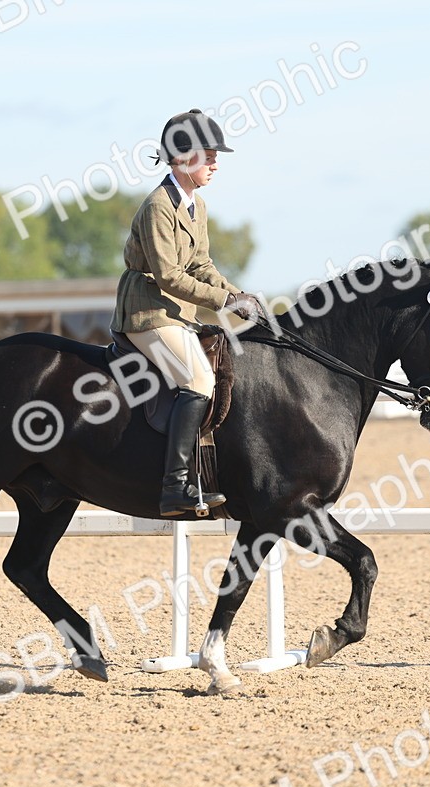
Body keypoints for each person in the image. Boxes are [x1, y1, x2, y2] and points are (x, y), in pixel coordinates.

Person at [111, 108, 266, 516]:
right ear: (181, 157)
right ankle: (175, 486)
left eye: (215, 154)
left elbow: (201, 266)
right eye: (207, 154)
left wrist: (241, 296)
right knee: (197, 379)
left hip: (176, 313)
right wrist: (224, 303)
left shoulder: (197, 206)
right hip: (147, 313)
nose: (215, 162)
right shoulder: (158, 206)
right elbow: (168, 276)